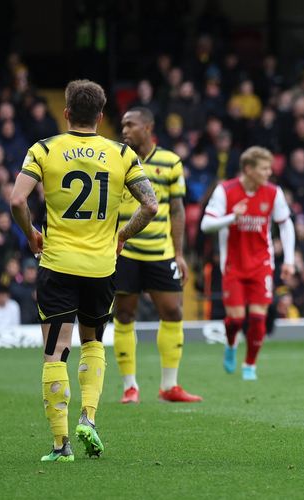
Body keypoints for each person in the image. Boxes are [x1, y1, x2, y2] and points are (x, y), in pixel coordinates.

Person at [9, 80, 158, 461]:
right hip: (101, 267)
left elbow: (16, 200)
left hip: (57, 265)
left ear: (66, 113)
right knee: (92, 342)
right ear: (101, 115)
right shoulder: (122, 153)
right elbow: (151, 205)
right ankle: (88, 418)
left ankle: (61, 445)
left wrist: (31, 234)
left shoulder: (43, 149)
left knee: (55, 353)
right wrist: (121, 235)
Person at [113, 107, 201, 404]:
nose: (124, 130)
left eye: (130, 125)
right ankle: (130, 387)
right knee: (124, 315)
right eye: (122, 125)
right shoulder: (115, 158)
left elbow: (176, 209)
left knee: (173, 312)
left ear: (148, 127)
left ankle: (169, 387)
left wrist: (179, 253)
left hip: (161, 252)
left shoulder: (170, 161)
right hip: (124, 251)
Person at [201, 146, 295, 380]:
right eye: (264, 168)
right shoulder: (225, 191)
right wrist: (232, 217)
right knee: (235, 319)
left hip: (262, 263)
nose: (269, 172)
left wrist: (289, 260)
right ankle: (231, 344)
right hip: (233, 264)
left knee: (257, 317)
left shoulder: (273, 192)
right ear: (248, 169)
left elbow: (285, 223)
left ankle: (250, 364)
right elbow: (206, 225)